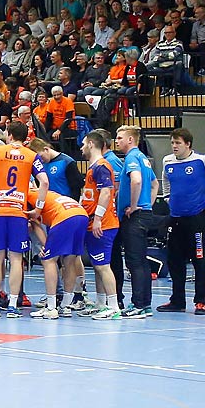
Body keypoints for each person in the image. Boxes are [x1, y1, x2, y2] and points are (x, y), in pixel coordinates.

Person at [159, 127, 205, 315]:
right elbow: (165, 179)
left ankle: (201, 302)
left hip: (196, 218)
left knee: (199, 259)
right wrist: (167, 196)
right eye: (172, 143)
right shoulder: (167, 161)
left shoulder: (202, 160)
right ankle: (177, 300)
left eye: (178, 143)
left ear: (188, 144)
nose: (174, 146)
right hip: (175, 218)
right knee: (174, 261)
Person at [0, 120, 44, 315]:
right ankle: (14, 304)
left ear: (10, 135)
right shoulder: (32, 155)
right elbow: (44, 182)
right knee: (16, 259)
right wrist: (38, 209)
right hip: (18, 213)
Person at [111, 124, 156, 318]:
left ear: (130, 139)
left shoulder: (132, 157)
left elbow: (136, 180)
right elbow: (154, 184)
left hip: (134, 216)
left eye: (120, 137)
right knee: (142, 262)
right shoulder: (144, 159)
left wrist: (135, 205)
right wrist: (148, 205)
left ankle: (137, 305)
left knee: (134, 261)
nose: (117, 141)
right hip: (144, 214)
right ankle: (145, 304)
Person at [79, 130, 123, 319]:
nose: (81, 148)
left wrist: (97, 218)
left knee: (104, 266)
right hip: (93, 223)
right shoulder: (93, 168)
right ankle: (100, 303)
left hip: (103, 225)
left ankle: (113, 307)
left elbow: (106, 193)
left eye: (83, 143)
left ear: (91, 144)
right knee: (98, 265)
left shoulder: (102, 166)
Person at [28, 188, 90, 319]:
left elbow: (33, 223)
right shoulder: (44, 193)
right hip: (81, 214)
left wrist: (47, 247)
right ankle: (66, 306)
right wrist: (48, 246)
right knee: (70, 260)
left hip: (64, 217)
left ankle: (51, 307)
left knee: (48, 260)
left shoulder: (27, 196)